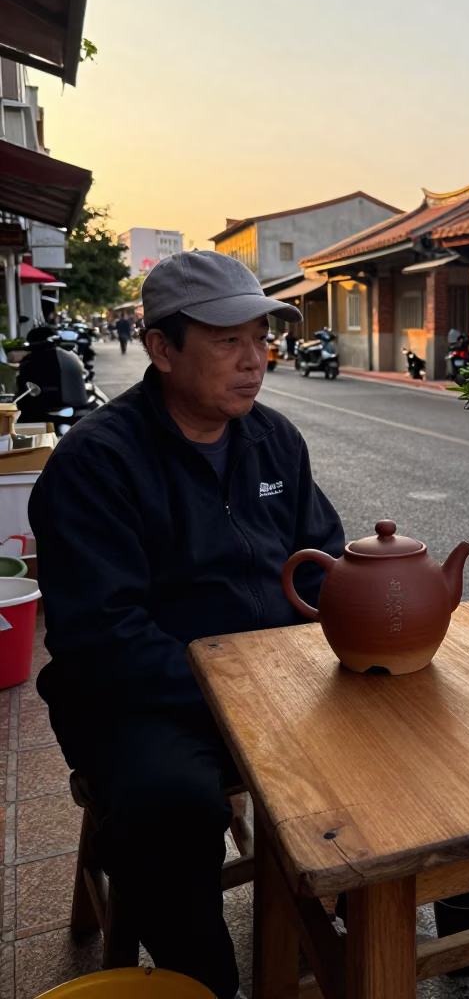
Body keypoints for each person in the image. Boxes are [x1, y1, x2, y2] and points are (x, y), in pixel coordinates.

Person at [30, 251, 344, 999]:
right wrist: (240, 691)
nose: (253, 360)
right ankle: (203, 980)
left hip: (274, 681)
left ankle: (428, 900)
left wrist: (362, 618)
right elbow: (101, 635)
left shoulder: (274, 440)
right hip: (146, 697)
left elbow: (319, 562)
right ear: (162, 348)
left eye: (260, 338)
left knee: (411, 727)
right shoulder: (97, 462)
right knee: (168, 806)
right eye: (227, 340)